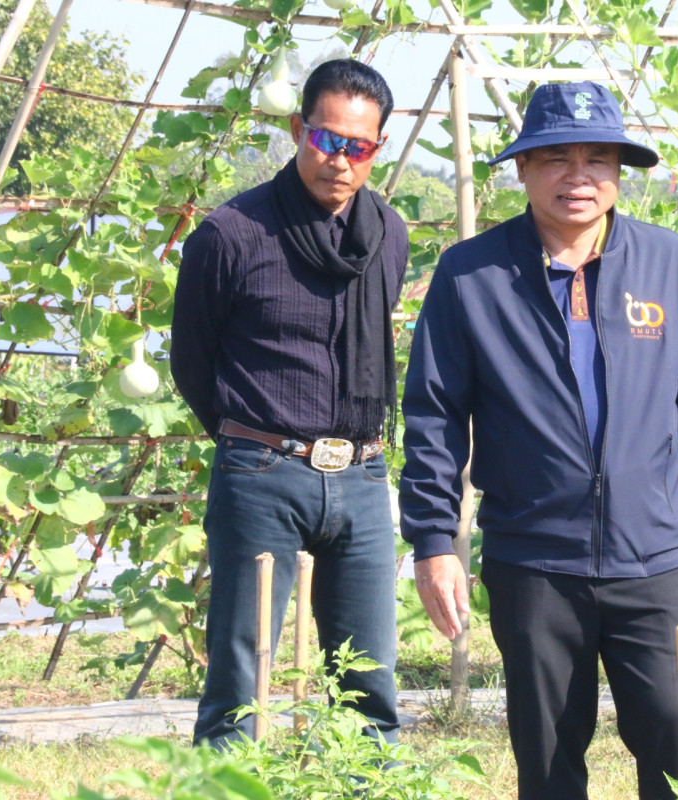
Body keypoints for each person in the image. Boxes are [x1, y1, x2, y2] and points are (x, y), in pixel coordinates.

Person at [399, 81, 678, 800]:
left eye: (598, 159)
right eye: (556, 158)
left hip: (653, 554)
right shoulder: (471, 274)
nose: (578, 177)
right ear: (523, 168)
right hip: (534, 558)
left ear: (619, 172)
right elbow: (434, 414)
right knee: (549, 756)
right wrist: (433, 541)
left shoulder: (668, 262)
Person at [171, 58, 408, 749]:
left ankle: (365, 789)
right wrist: (252, 443)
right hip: (263, 473)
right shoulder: (232, 234)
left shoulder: (387, 235)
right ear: (300, 130)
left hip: (362, 475)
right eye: (327, 139)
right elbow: (192, 363)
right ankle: (225, 789)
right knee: (240, 682)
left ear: (378, 148)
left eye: (358, 146)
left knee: (368, 680)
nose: (340, 160)